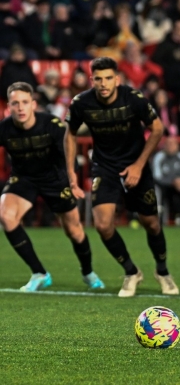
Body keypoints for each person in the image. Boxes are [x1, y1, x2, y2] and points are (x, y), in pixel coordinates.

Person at [64, 57, 179, 298]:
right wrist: (71, 174)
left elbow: (157, 129)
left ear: (117, 79)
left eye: (108, 78)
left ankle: (163, 271)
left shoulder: (133, 98)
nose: (103, 83)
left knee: (151, 223)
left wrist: (138, 165)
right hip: (105, 167)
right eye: (98, 79)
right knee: (103, 224)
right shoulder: (81, 103)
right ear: (92, 80)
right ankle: (131, 271)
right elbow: (70, 134)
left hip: (136, 165)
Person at [0, 82, 104, 292]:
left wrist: (72, 181)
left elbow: (70, 153)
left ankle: (88, 272)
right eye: (15, 103)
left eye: (25, 102)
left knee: (74, 231)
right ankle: (39, 273)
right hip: (24, 179)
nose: (20, 107)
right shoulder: (4, 128)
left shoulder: (51, 125)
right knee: (6, 216)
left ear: (33, 104)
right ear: (9, 106)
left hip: (55, 179)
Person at [152, 136, 180, 225]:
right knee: (157, 191)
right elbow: (156, 176)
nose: (170, 146)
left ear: (177, 146)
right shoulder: (158, 157)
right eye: (168, 144)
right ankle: (159, 219)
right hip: (162, 186)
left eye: (173, 144)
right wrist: (172, 182)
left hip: (178, 186)